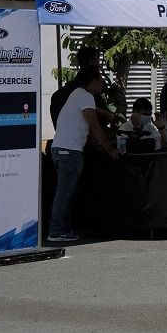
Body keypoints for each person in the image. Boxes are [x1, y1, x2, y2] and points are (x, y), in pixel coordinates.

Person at [49, 66, 120, 242]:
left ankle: (63, 229)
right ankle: (56, 230)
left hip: (60, 149)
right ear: (93, 81)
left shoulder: (77, 94)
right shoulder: (86, 96)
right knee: (65, 192)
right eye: (101, 80)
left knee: (66, 191)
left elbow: (91, 111)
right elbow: (94, 125)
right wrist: (109, 149)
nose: (103, 84)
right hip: (70, 151)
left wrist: (106, 114)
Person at [50, 46, 116, 129]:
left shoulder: (61, 94)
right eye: (97, 60)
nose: (99, 65)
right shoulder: (86, 93)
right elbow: (97, 124)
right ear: (92, 61)